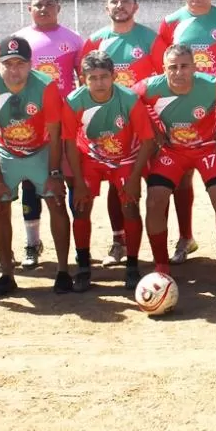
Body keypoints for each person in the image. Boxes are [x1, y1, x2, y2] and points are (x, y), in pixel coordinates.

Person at [135, 45, 216, 287]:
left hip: (207, 149)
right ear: (164, 69)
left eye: (184, 66)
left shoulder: (211, 85)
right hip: (173, 151)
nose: (179, 72)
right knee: (154, 200)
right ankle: (161, 266)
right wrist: (153, 130)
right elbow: (129, 100)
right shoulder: (150, 87)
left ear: (194, 67)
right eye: (172, 67)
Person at [157, 0, 216, 265]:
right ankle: (185, 237)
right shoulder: (170, 23)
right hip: (180, 112)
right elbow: (162, 69)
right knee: (182, 179)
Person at [0, 36, 71, 296]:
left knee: (56, 201)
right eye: (7, 64)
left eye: (20, 63)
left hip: (41, 149)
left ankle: (63, 271)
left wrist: (54, 173)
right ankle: (7, 273)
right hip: (6, 151)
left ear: (30, 64)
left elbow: (55, 133)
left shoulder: (46, 86)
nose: (14, 70)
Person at [82, 0, 167, 268]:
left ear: (136, 6)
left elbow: (165, 79)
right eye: (114, 1)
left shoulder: (150, 39)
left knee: (157, 186)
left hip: (145, 126)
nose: (120, 5)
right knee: (116, 185)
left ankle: (159, 246)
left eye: (125, 0)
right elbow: (86, 81)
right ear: (106, 8)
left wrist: (157, 122)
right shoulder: (96, 41)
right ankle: (119, 242)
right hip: (112, 129)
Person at [63, 51, 155, 292]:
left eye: (104, 76)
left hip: (125, 158)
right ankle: (84, 268)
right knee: (80, 207)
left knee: (130, 207)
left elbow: (147, 141)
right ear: (83, 79)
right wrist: (78, 181)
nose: (99, 83)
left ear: (114, 76)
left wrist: (134, 178)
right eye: (92, 78)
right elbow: (69, 143)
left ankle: (132, 266)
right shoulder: (74, 101)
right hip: (90, 158)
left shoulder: (129, 99)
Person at [13, 0, 84, 270]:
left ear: (59, 7)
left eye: (49, 4)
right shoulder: (20, 40)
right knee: (31, 182)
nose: (43, 9)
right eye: (38, 4)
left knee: (71, 179)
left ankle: (79, 244)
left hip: (65, 122)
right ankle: (32, 243)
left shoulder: (73, 39)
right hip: (32, 123)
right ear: (29, 9)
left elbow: (83, 79)